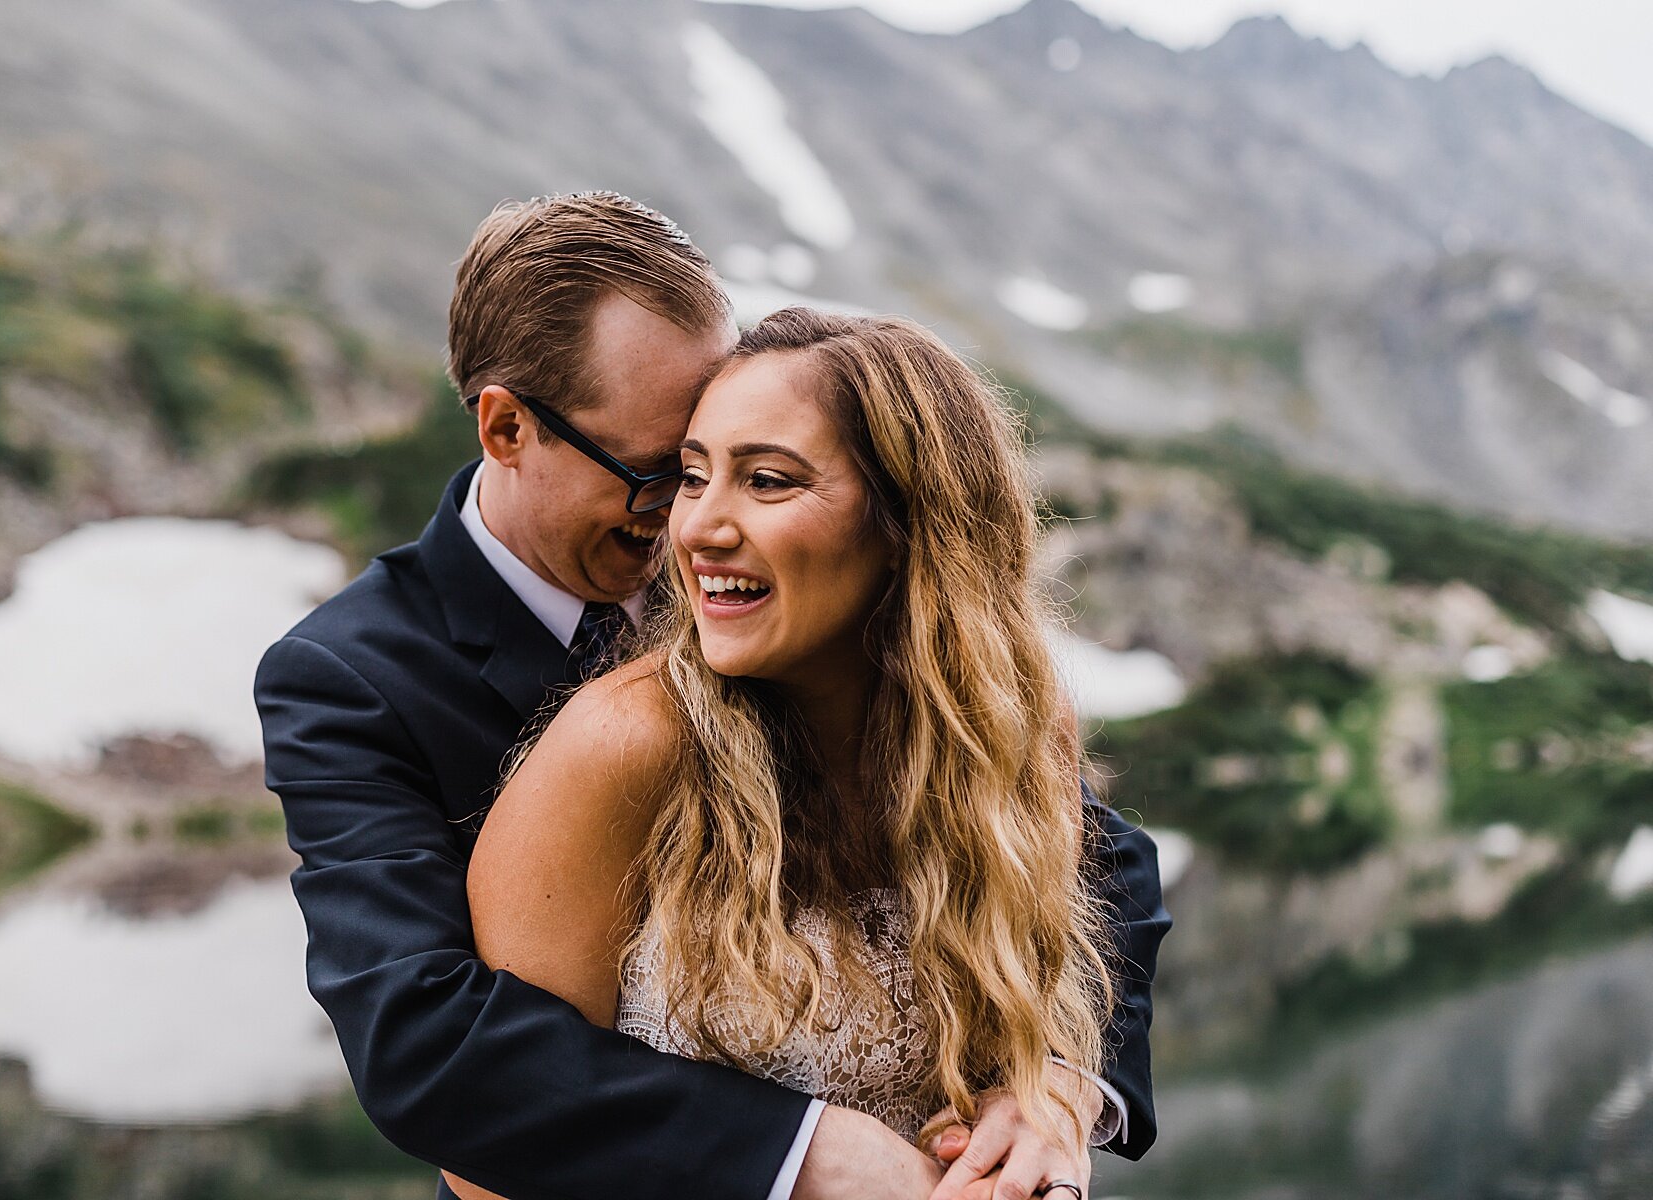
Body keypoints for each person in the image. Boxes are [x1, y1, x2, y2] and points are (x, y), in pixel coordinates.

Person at [255, 193, 1169, 1200]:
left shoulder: (788, 603)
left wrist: (1065, 1084)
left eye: (745, 467)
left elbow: (1098, 855)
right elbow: (430, 1042)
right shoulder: (351, 676)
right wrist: (804, 1157)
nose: (688, 528)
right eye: (667, 473)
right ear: (508, 426)